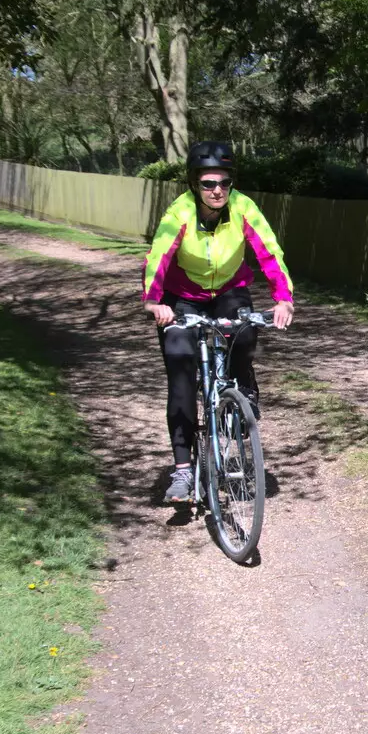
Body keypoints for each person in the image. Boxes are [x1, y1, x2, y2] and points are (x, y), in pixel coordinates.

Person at [142, 141, 295, 504]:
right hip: (181, 297)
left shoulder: (243, 207)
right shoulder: (179, 212)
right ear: (195, 183)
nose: (217, 191)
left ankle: (245, 389)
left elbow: (269, 250)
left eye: (224, 183)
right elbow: (158, 255)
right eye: (209, 183)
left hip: (229, 289)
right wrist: (153, 300)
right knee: (180, 370)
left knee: (244, 335)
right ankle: (182, 472)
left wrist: (283, 297)